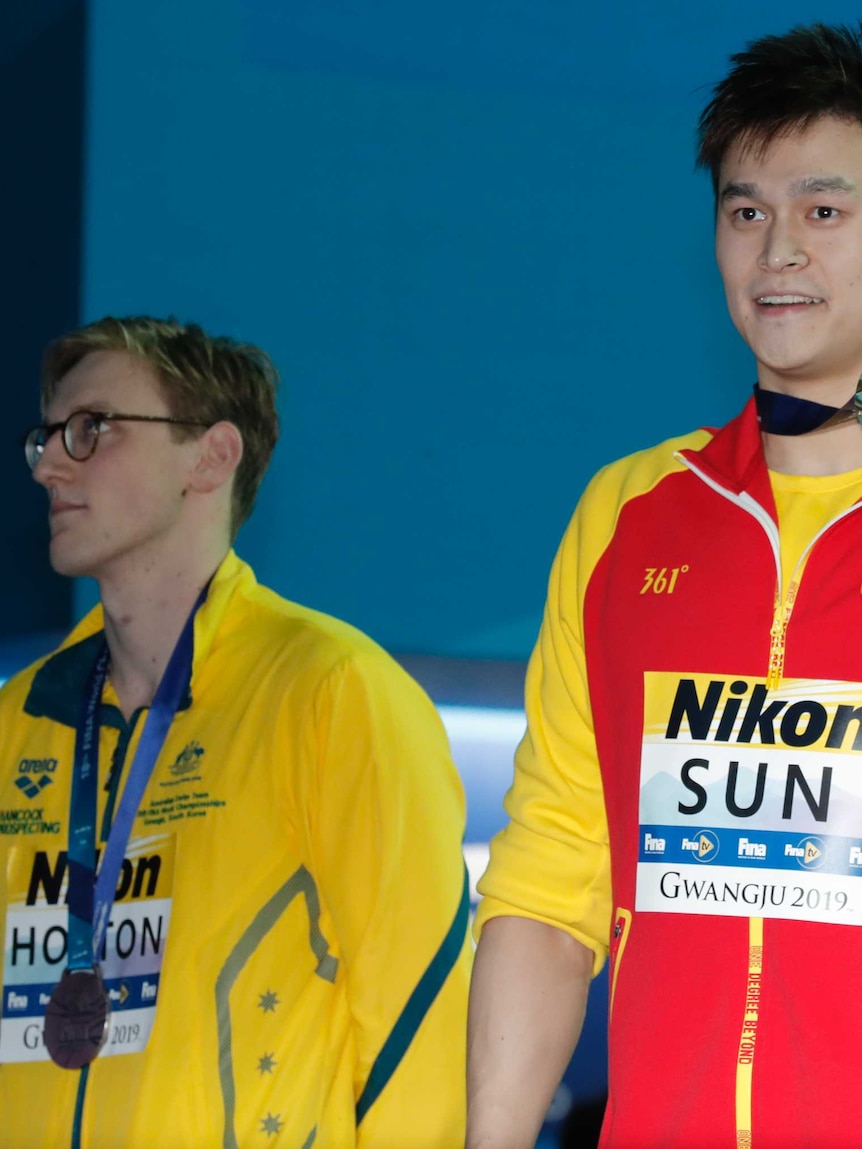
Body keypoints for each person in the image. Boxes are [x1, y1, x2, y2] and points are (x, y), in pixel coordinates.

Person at [467, 21, 862, 1149]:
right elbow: (548, 888)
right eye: (745, 212)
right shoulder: (629, 515)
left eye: (822, 211)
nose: (776, 250)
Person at [0, 316, 471, 1148]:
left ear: (212, 457)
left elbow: (421, 1026)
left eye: (91, 429)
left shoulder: (332, 693)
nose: (48, 464)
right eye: (46, 437)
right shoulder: (20, 720)